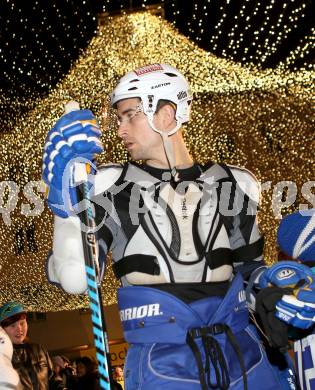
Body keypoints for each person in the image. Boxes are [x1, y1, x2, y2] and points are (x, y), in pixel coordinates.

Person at [42, 63, 297, 389]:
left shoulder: (235, 181)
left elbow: (251, 272)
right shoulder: (109, 184)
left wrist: (282, 294)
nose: (120, 130)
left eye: (129, 115)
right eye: (118, 119)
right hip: (161, 363)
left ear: (166, 113)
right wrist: (64, 206)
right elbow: (77, 278)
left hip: (244, 355)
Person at [0, 301, 53, 389]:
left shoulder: (39, 349)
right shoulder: (2, 357)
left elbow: (52, 379)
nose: (19, 329)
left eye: (22, 323)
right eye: (13, 325)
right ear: (2, 330)